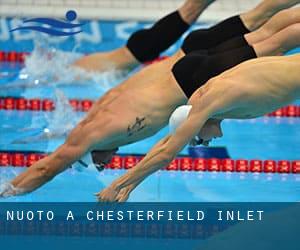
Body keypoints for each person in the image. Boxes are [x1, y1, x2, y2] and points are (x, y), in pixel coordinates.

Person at [1, 0, 300, 198]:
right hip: (187, 55)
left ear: (89, 150)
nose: (104, 165)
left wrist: (8, 190)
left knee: (276, 38)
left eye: (94, 162)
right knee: (270, 28)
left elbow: (46, 167)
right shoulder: (100, 108)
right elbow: (67, 139)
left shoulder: (95, 133)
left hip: (192, 78)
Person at [97, 54, 300, 202]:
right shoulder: (200, 102)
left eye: (200, 140)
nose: (207, 142)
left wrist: (116, 185)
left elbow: (167, 154)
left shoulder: (211, 101)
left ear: (197, 125)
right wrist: (131, 185)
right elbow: (169, 141)